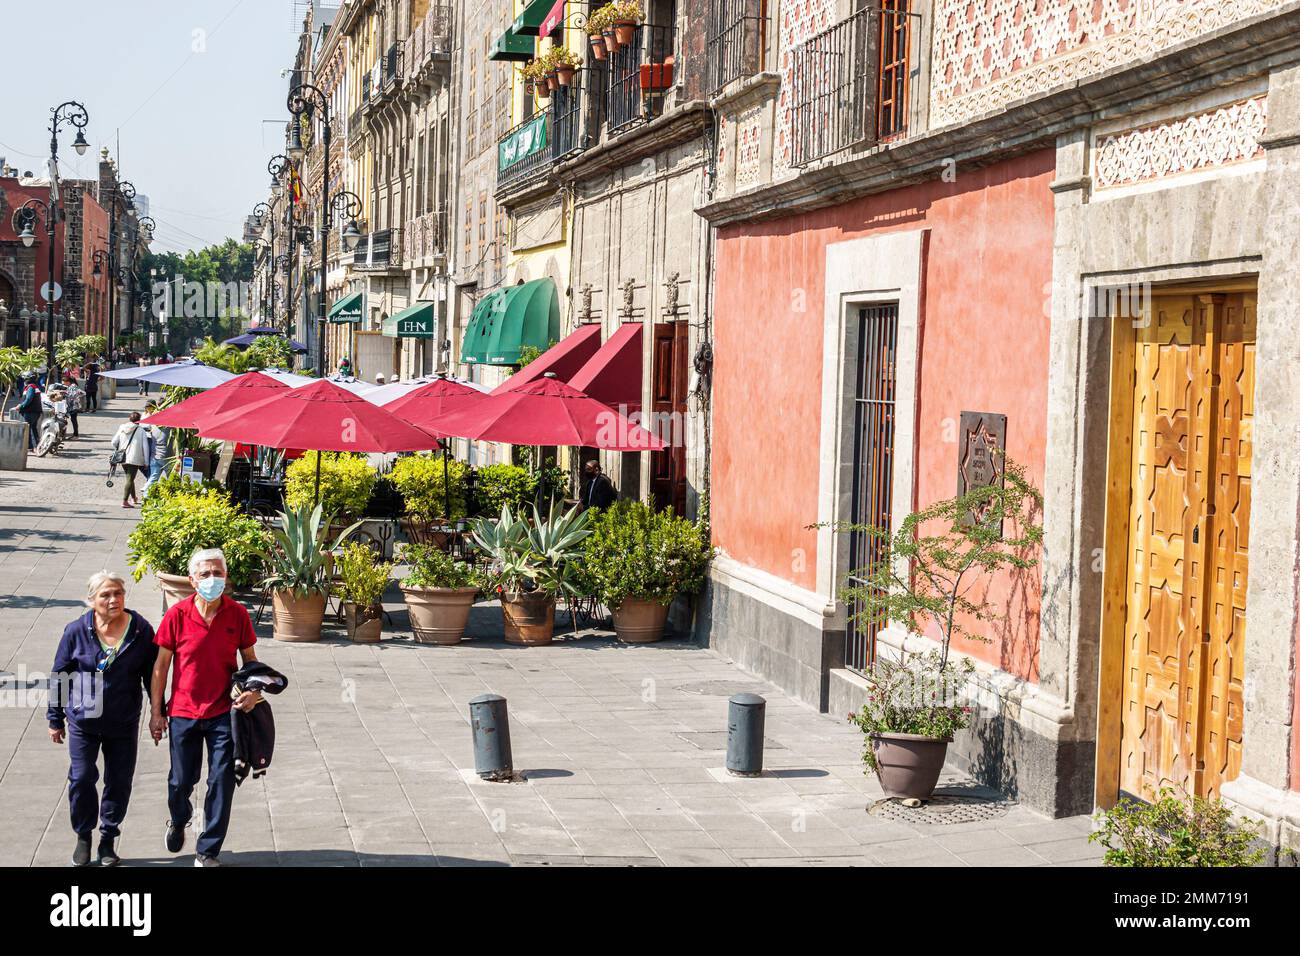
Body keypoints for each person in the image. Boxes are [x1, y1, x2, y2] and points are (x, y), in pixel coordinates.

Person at [150, 549, 262, 867]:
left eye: (218, 573)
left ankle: (207, 850)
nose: (212, 579)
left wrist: (253, 691)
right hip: (183, 711)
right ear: (191, 580)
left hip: (224, 712)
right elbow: (161, 667)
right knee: (181, 781)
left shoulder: (237, 614)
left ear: (226, 577)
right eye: (205, 574)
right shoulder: (177, 615)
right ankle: (179, 816)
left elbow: (250, 661)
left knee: (222, 780)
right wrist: (156, 713)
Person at [48, 571, 159, 866]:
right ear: (91, 601)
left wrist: (157, 713)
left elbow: (152, 675)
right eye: (105, 595)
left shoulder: (140, 630)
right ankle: (84, 835)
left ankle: (108, 838)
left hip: (123, 721)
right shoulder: (76, 631)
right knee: (82, 778)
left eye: (118, 593)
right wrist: (54, 718)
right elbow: (60, 675)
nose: (113, 600)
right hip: (83, 721)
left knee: (119, 781)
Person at [110, 411, 153, 508]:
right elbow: (145, 447)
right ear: (139, 420)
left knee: (130, 478)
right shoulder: (141, 430)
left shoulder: (122, 427)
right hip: (135, 458)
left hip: (123, 457)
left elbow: (113, 442)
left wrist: (120, 447)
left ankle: (134, 498)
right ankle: (124, 501)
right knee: (130, 478)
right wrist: (146, 462)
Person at [141, 401, 168, 497]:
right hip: (167, 456)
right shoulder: (169, 426)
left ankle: (146, 495)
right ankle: (171, 497)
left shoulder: (153, 424)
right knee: (171, 477)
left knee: (153, 477)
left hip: (155, 455)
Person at [16, 373, 43, 451]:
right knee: (33, 428)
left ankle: (34, 447)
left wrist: (20, 406)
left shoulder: (30, 387)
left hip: (31, 411)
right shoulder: (34, 386)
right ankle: (34, 446)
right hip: (35, 411)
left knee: (29, 429)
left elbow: (28, 399)